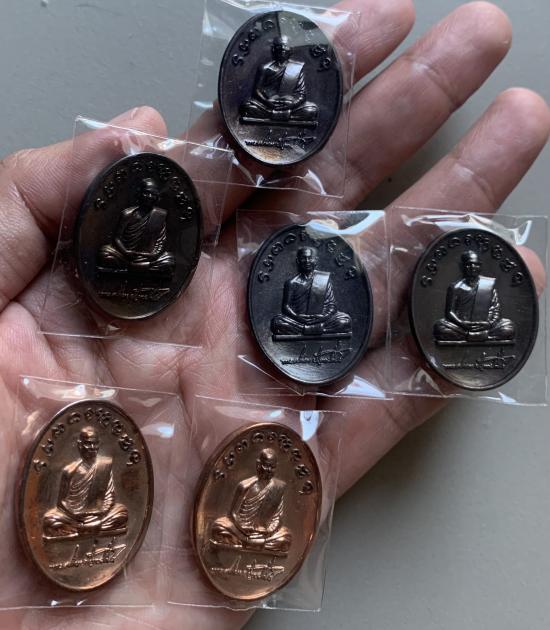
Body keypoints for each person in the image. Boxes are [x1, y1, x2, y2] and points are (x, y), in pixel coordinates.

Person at [0, 1, 548, 627]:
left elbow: (329, 308)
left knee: (481, 327)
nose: (264, 468)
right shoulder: (86, 462)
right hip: (160, 283)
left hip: (318, 328)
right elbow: (159, 252)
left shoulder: (360, 279)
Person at [43, 427, 128, 538]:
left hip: (99, 515)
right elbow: (61, 503)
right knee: (49, 520)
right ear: (80, 445)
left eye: (95, 444)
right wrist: (76, 515)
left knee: (122, 512)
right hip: (75, 517)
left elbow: (110, 496)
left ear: (98, 445)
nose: (92, 447)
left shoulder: (104, 466)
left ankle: (81, 530)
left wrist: (100, 512)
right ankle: (88, 528)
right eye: (88, 444)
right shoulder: (69, 470)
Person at [211, 448, 291, 554]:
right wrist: (244, 530)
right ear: (258, 464)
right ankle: (251, 543)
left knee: (286, 537)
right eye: (266, 466)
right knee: (218, 527)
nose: (268, 470)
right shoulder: (245, 486)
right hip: (242, 531)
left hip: (265, 533)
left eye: (272, 467)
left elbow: (278, 517)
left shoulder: (279, 487)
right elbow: (233, 514)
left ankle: (247, 544)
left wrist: (269, 530)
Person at [434, 250, 515, 343]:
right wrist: (461, 323)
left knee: (509, 326)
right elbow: (449, 312)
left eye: (476, 264)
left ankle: (471, 336)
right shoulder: (455, 287)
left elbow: (495, 309)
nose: (473, 267)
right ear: (463, 267)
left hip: (485, 326)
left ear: (480, 266)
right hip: (462, 327)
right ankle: (483, 336)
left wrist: (489, 324)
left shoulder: (488, 285)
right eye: (469, 264)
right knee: (440, 327)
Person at [271, 246, 352, 338]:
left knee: (345, 320)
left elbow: (332, 304)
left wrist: (324, 316)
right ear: (298, 261)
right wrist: (298, 317)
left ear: (315, 260)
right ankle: (320, 330)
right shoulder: (292, 283)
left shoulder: (323, 279)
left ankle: (309, 330)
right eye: (303, 258)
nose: (307, 261)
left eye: (310, 258)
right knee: (277, 322)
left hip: (322, 320)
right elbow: (286, 307)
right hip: (299, 321)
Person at [98, 177, 175, 274]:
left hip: (148, 257)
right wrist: (125, 252)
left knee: (169, 260)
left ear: (157, 197)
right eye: (146, 193)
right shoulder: (128, 214)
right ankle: (139, 268)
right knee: (104, 253)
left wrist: (154, 254)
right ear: (139, 194)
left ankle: (132, 268)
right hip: (126, 256)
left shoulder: (160, 215)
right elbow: (117, 238)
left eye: (153, 194)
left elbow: (161, 240)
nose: (149, 196)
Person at [240, 35, 318, 126]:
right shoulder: (265, 68)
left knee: (312, 110)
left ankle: (274, 116)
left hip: (290, 105)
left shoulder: (296, 68)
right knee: (247, 106)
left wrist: (292, 104)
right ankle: (284, 116)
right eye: (279, 46)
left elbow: (302, 94)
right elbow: (257, 91)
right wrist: (267, 102)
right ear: (273, 49)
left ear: (291, 50)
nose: (282, 49)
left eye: (286, 46)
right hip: (268, 105)